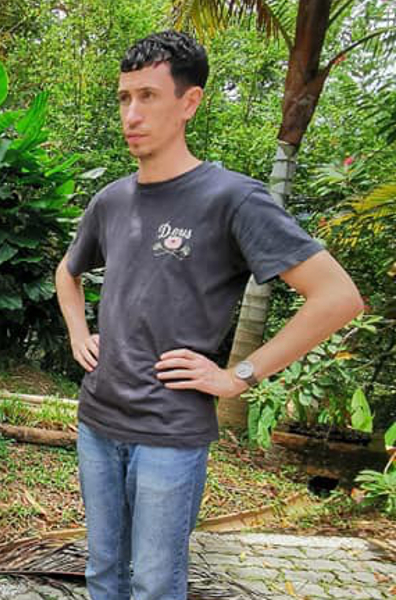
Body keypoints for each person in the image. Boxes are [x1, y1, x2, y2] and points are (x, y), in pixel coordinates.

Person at [55, 30, 363, 600]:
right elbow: (67, 273)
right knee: (102, 574)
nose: (131, 113)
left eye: (147, 96)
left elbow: (337, 297)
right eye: (124, 98)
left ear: (189, 102)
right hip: (97, 422)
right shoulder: (112, 200)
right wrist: (79, 332)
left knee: (153, 584)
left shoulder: (232, 199)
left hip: (170, 434)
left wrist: (237, 377)